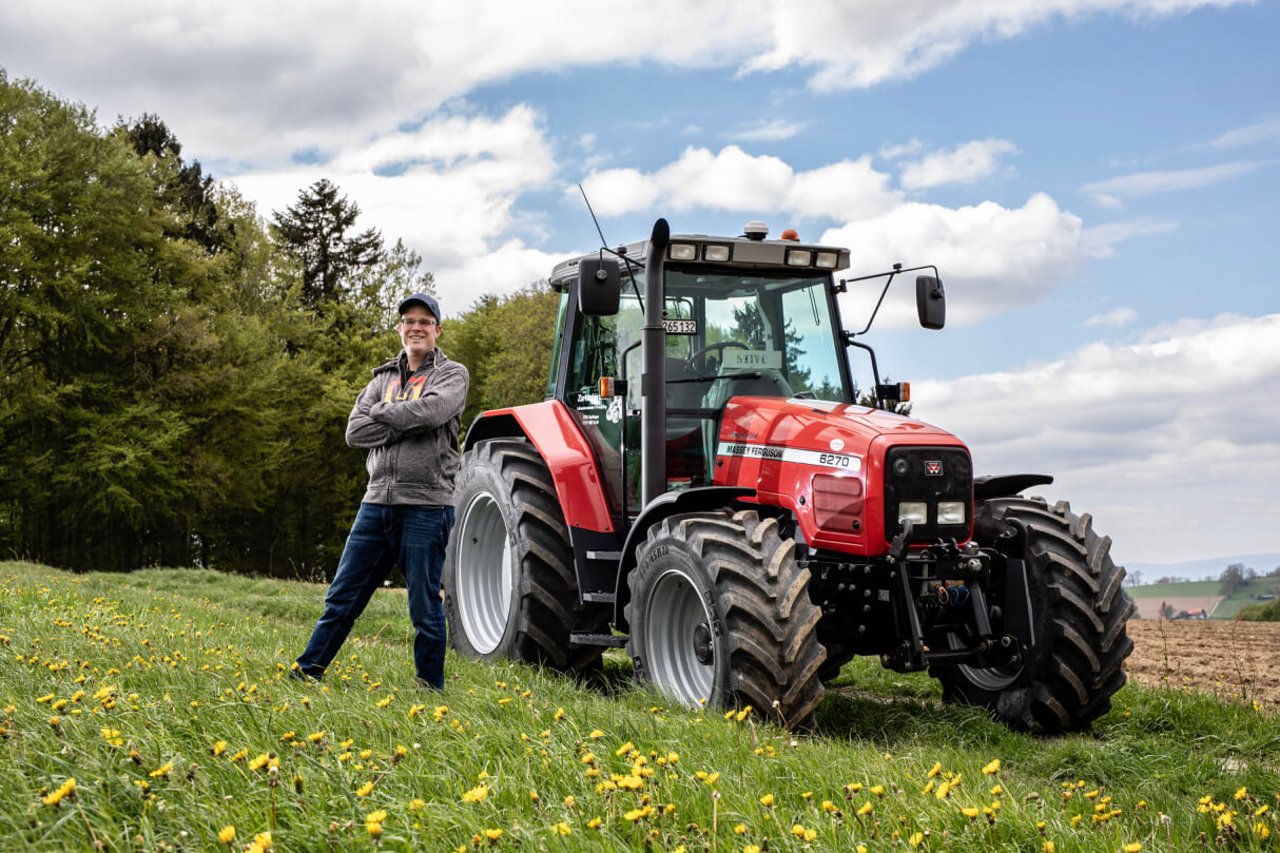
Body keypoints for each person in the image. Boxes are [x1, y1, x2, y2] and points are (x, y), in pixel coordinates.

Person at [294, 292, 469, 690]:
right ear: (400, 329)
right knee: (342, 598)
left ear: (437, 330)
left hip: (426, 506)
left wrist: (383, 414)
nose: (417, 328)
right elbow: (355, 432)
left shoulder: (452, 374)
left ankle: (430, 686)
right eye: (410, 320)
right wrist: (405, 420)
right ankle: (308, 671)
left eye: (425, 322)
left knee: (424, 606)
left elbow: (432, 412)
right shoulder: (382, 378)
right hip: (375, 504)